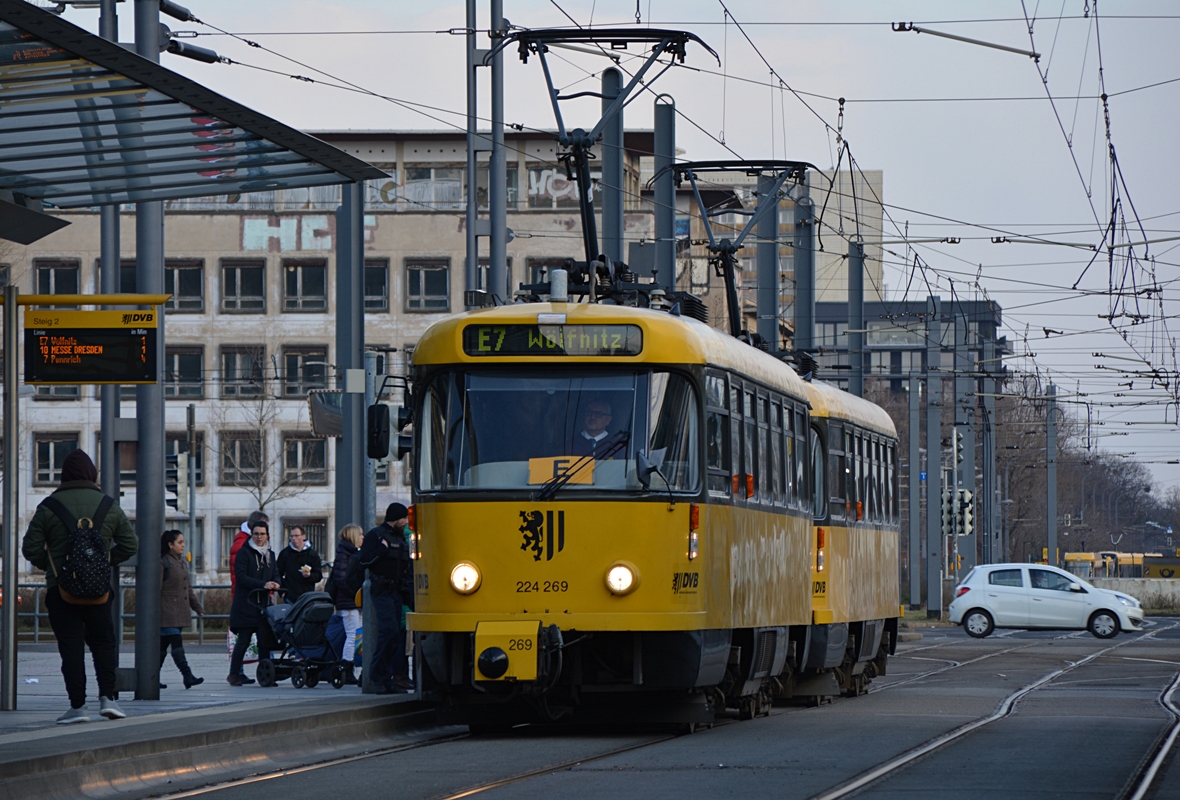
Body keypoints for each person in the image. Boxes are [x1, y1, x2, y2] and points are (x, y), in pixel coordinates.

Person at [20, 449, 137, 724]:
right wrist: (104, 563)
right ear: (92, 474)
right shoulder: (109, 505)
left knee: (70, 647)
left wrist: (52, 568)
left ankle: (77, 707)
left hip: (61, 592)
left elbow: (30, 548)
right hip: (99, 592)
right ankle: (108, 699)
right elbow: (131, 545)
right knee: (103, 643)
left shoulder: (49, 507)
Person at [359, 503, 413, 694]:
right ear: (396, 518)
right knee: (388, 632)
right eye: (403, 518)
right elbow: (363, 560)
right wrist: (381, 550)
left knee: (396, 637)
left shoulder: (399, 536)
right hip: (382, 590)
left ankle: (387, 679)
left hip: (397, 591)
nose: (406, 522)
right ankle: (377, 677)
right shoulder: (376, 535)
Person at [227, 520, 280, 686]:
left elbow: (276, 573)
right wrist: (262, 585)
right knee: (244, 640)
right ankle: (234, 673)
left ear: (267, 536)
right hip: (246, 603)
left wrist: (276, 583)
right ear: (251, 534)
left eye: (262, 534)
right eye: (256, 534)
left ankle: (266, 675)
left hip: (263, 605)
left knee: (265, 641)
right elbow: (241, 577)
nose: (259, 537)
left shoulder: (270, 555)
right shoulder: (245, 553)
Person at [159, 530, 204, 689]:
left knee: (162, 647)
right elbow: (155, 589)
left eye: (183, 542)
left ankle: (151, 678)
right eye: (180, 542)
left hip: (177, 612)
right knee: (176, 644)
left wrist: (197, 607)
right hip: (167, 612)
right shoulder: (163, 562)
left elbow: (188, 589)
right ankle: (187, 675)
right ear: (170, 545)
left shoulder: (181, 562)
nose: (183, 545)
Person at [331, 524, 364, 680]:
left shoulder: (349, 554)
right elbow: (341, 580)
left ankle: (350, 666)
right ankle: (346, 667)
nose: (363, 538)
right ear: (353, 537)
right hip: (349, 602)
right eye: (360, 535)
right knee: (353, 635)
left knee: (356, 635)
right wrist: (355, 595)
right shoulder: (345, 555)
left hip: (352, 602)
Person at [276, 526, 322, 602]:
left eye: (296, 536)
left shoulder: (312, 554)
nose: (293, 538)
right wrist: (282, 590)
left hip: (307, 596)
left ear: (303, 536)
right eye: (291, 536)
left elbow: (319, 575)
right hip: (289, 596)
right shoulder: (285, 553)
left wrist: (310, 575)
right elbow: (277, 573)